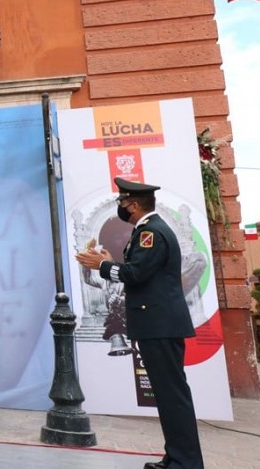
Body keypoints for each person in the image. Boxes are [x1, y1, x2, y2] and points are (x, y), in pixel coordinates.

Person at [75, 178, 204, 469]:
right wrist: (109, 262)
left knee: (172, 396)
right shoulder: (147, 230)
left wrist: (101, 266)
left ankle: (186, 463)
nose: (121, 207)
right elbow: (139, 271)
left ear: (133, 205)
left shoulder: (152, 233)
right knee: (167, 396)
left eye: (122, 202)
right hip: (157, 324)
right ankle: (176, 457)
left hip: (160, 324)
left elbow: (136, 274)